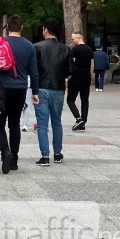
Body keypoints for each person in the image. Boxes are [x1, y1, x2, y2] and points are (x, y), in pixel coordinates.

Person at [0, 15, 39, 174]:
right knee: (14, 124)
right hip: (20, 89)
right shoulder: (29, 46)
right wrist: (35, 92)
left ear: (7, 27)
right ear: (21, 27)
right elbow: (34, 73)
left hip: (0, 88)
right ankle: (14, 159)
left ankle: (5, 152)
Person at [33, 18, 71, 167]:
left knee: (42, 124)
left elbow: (33, 70)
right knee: (57, 121)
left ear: (46, 30)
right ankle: (57, 153)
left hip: (41, 87)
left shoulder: (37, 47)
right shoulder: (66, 48)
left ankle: (45, 156)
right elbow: (70, 70)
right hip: (58, 89)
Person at [68, 32, 94, 131]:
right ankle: (83, 121)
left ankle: (78, 118)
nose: (72, 41)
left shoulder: (75, 50)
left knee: (70, 99)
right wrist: (90, 75)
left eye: (73, 39)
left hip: (76, 77)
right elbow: (92, 64)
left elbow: (72, 64)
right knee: (84, 100)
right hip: (86, 77)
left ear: (78, 38)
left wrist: (68, 77)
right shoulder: (89, 50)